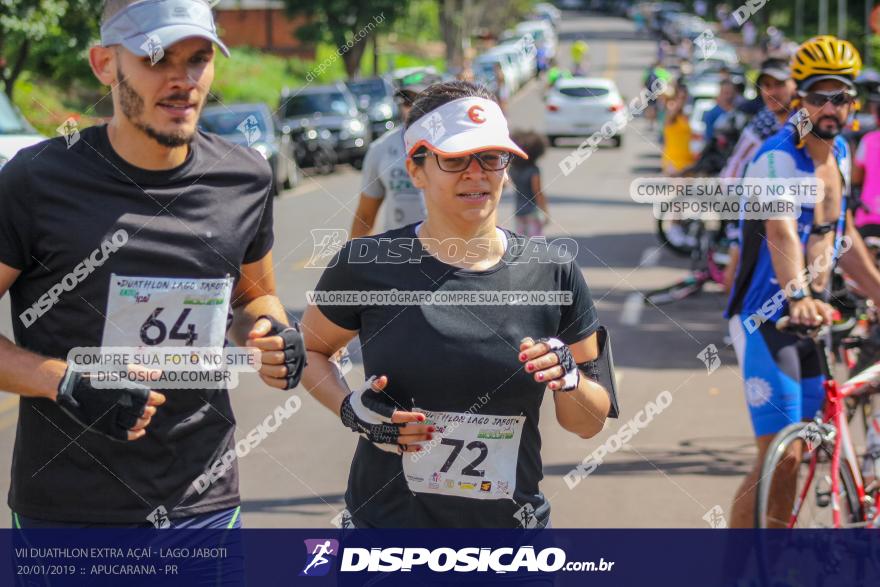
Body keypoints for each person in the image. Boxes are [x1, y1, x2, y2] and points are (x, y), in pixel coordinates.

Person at [0, 0, 305, 532]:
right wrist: (65, 381)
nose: (183, 79)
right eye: (157, 58)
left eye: (198, 59)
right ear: (103, 64)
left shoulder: (244, 178)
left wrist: (272, 333)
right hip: (68, 511)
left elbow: (253, 298)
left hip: (203, 503)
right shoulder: (35, 181)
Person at [299, 80, 618, 529]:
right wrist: (351, 408)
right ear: (415, 169)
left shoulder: (553, 272)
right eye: (454, 159)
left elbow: (588, 423)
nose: (477, 173)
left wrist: (569, 379)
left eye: (491, 157)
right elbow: (310, 350)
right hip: (388, 537)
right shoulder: (365, 264)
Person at [726, 36, 880, 528]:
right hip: (762, 319)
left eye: (840, 97)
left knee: (814, 440)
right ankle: (737, 571)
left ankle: (787, 551)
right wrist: (799, 295)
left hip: (811, 312)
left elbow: (839, 235)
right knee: (783, 455)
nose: (830, 107)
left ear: (853, 102)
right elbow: (781, 233)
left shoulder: (837, 156)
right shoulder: (776, 160)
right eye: (819, 96)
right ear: (800, 100)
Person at [720, 58, 798, 290]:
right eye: (766, 85)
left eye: (779, 84)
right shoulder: (764, 123)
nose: (771, 92)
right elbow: (736, 171)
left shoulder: (805, 123)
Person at [350, 72, 439, 238]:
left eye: (422, 100)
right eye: (407, 101)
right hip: (400, 256)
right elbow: (365, 216)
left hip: (452, 254)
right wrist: (353, 261)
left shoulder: (461, 146)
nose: (413, 107)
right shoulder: (381, 148)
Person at [508, 130, 550, 237]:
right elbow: (537, 191)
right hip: (533, 211)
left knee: (521, 241)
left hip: (519, 210)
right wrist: (545, 211)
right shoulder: (533, 170)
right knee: (535, 241)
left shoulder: (513, 170)